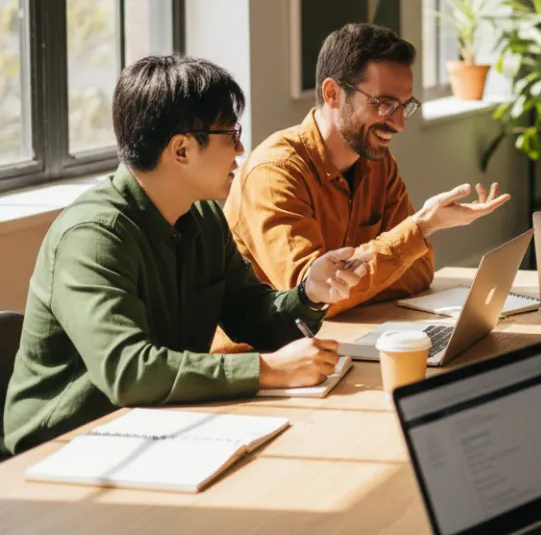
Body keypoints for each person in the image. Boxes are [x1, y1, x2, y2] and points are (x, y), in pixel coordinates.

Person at [3, 56, 368, 456]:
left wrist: (310, 292)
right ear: (180, 150)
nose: (241, 148)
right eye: (231, 133)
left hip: (158, 429)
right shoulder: (92, 237)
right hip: (61, 451)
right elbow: (128, 372)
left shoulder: (204, 217)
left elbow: (251, 315)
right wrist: (267, 371)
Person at [223, 24, 509, 318]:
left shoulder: (378, 163)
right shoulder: (274, 173)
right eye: (384, 104)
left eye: (403, 106)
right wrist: (420, 227)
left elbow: (419, 272)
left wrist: (354, 276)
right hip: (266, 357)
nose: (399, 124)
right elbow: (315, 295)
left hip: (347, 335)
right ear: (333, 94)